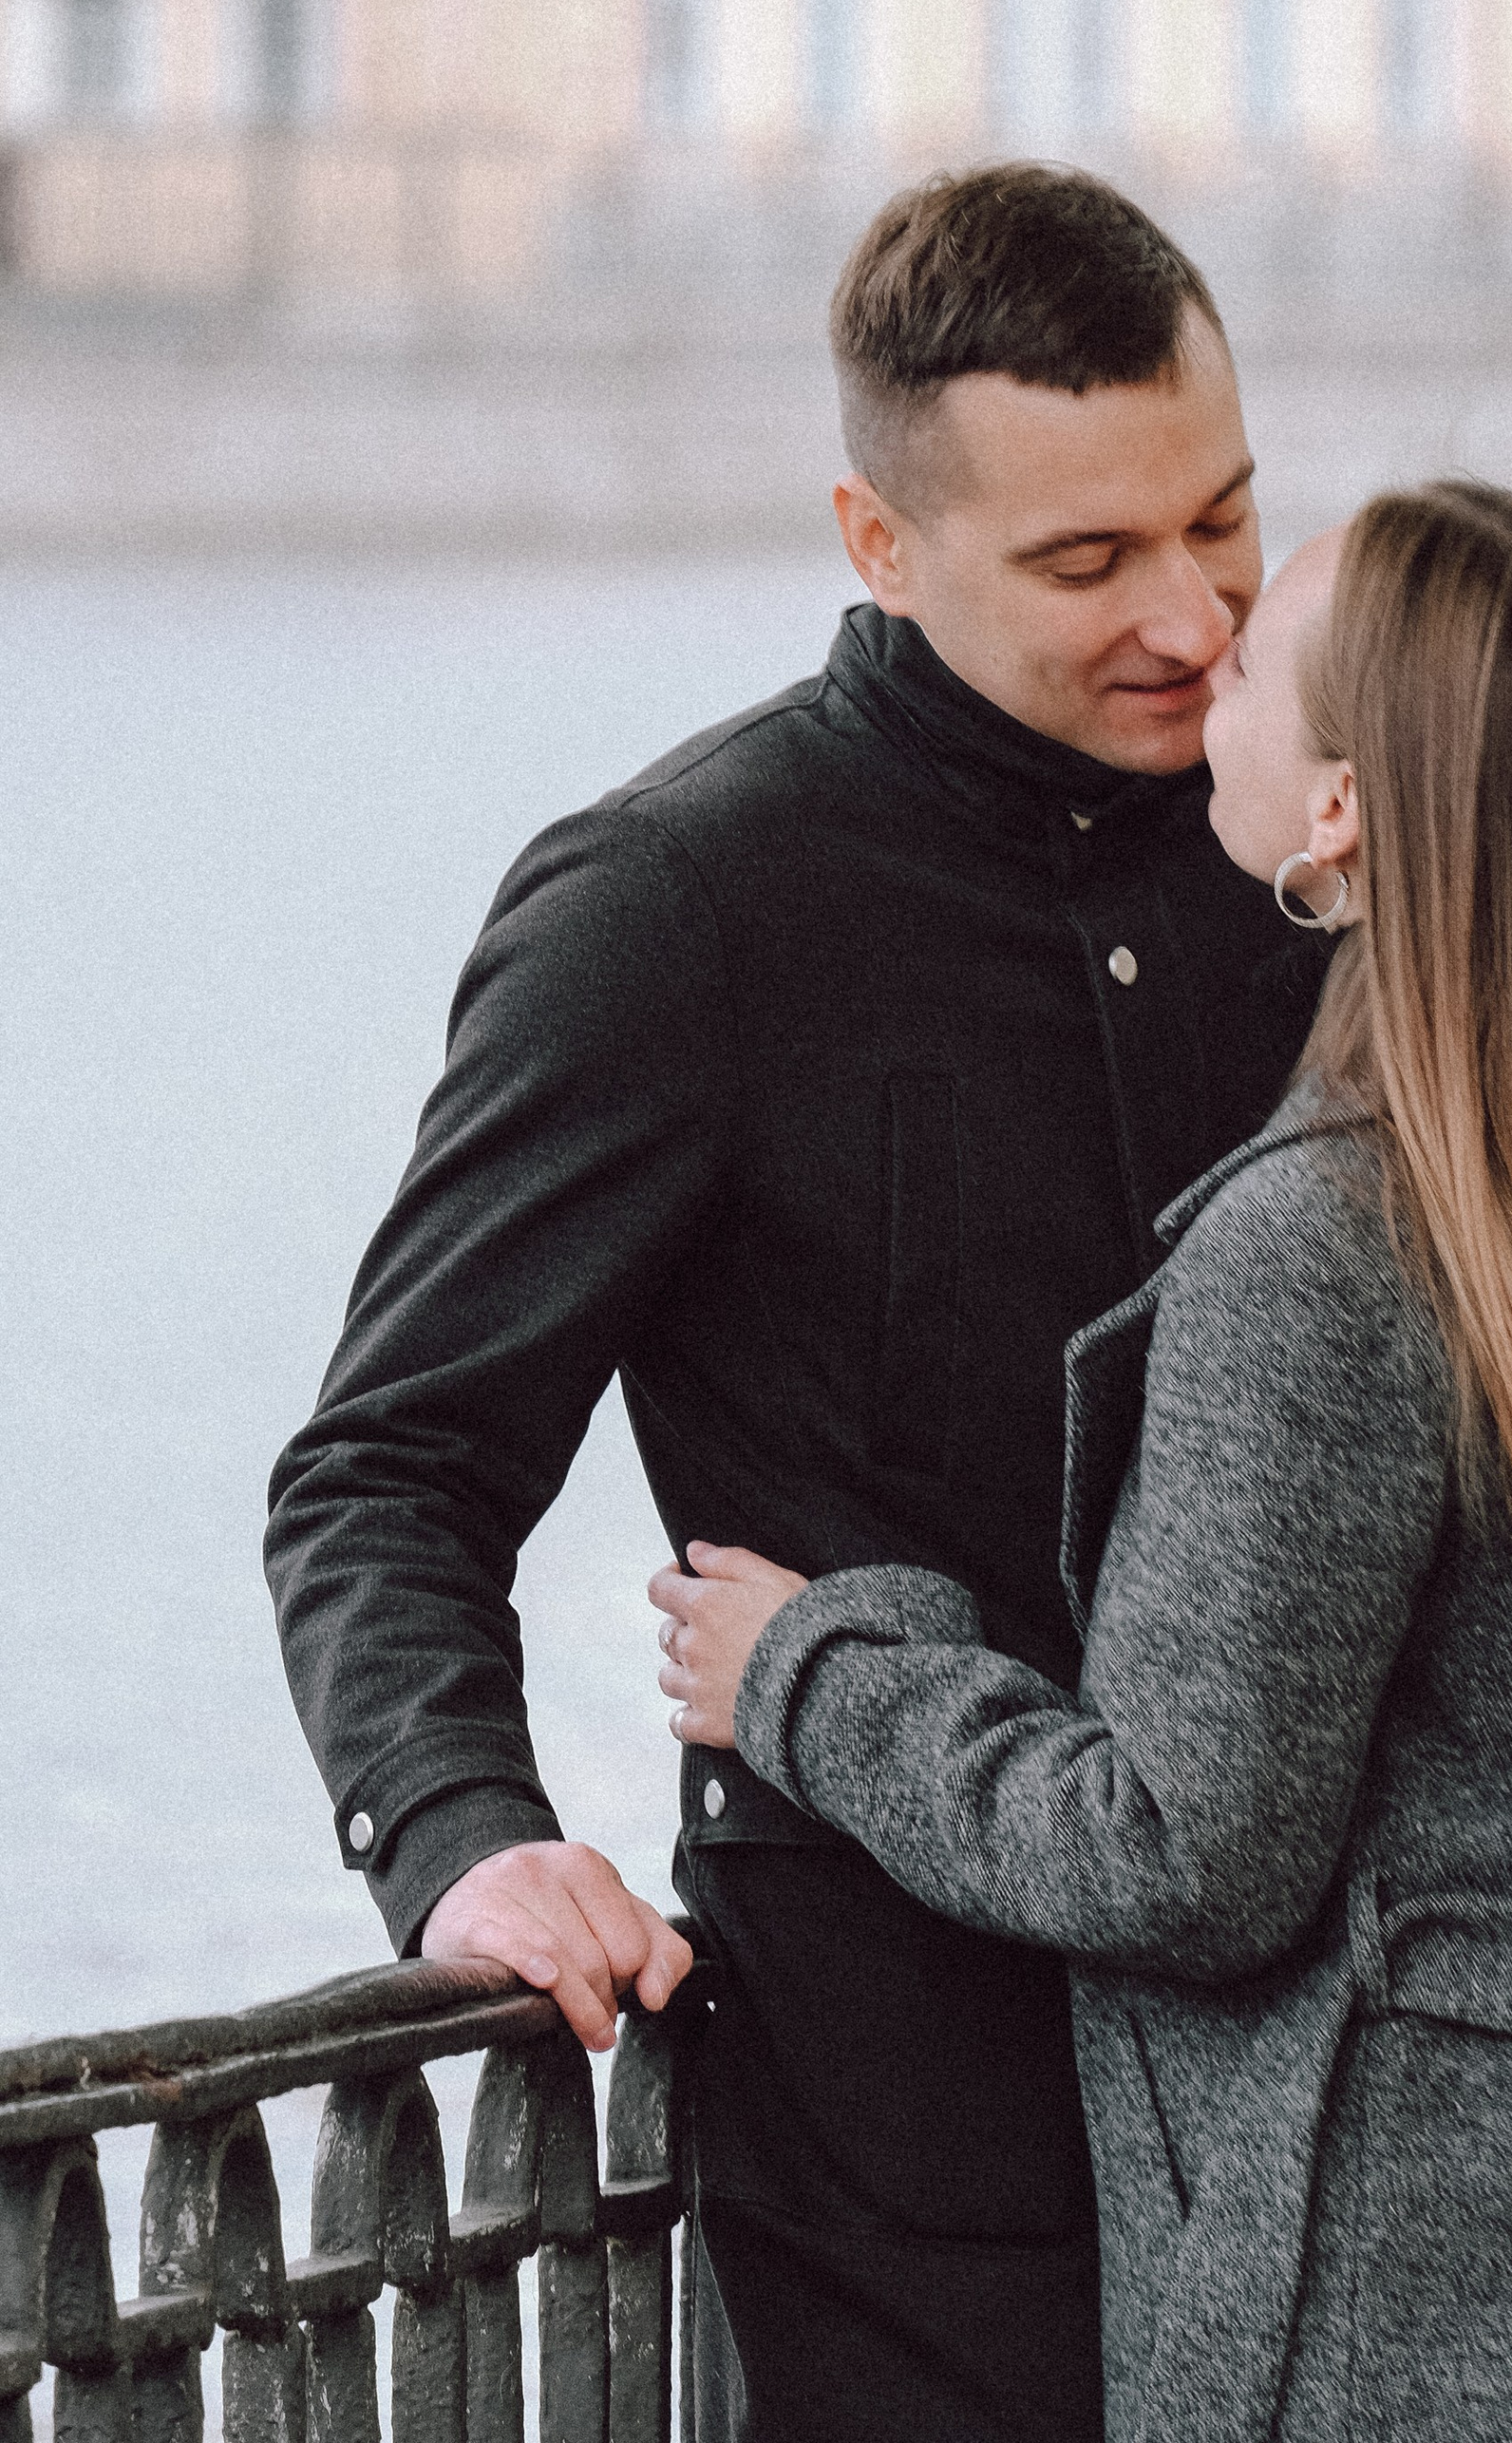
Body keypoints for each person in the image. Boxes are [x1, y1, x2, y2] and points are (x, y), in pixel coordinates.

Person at [652, 481, 1512, 2443]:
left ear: (1335, 808)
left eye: (1244, 663)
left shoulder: (1329, 1245)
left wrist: (812, 1675)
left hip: (1385, 2320)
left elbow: (1184, 1856)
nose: (1195, 670)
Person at [265, 165, 1331, 2443]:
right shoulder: (675, 905)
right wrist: (460, 1834)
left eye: (1221, 520)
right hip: (902, 2144)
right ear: (877, 541)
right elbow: (392, 1468)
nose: (1191, 613)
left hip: (1338, 2102)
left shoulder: (1329, 850)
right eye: (1085, 562)